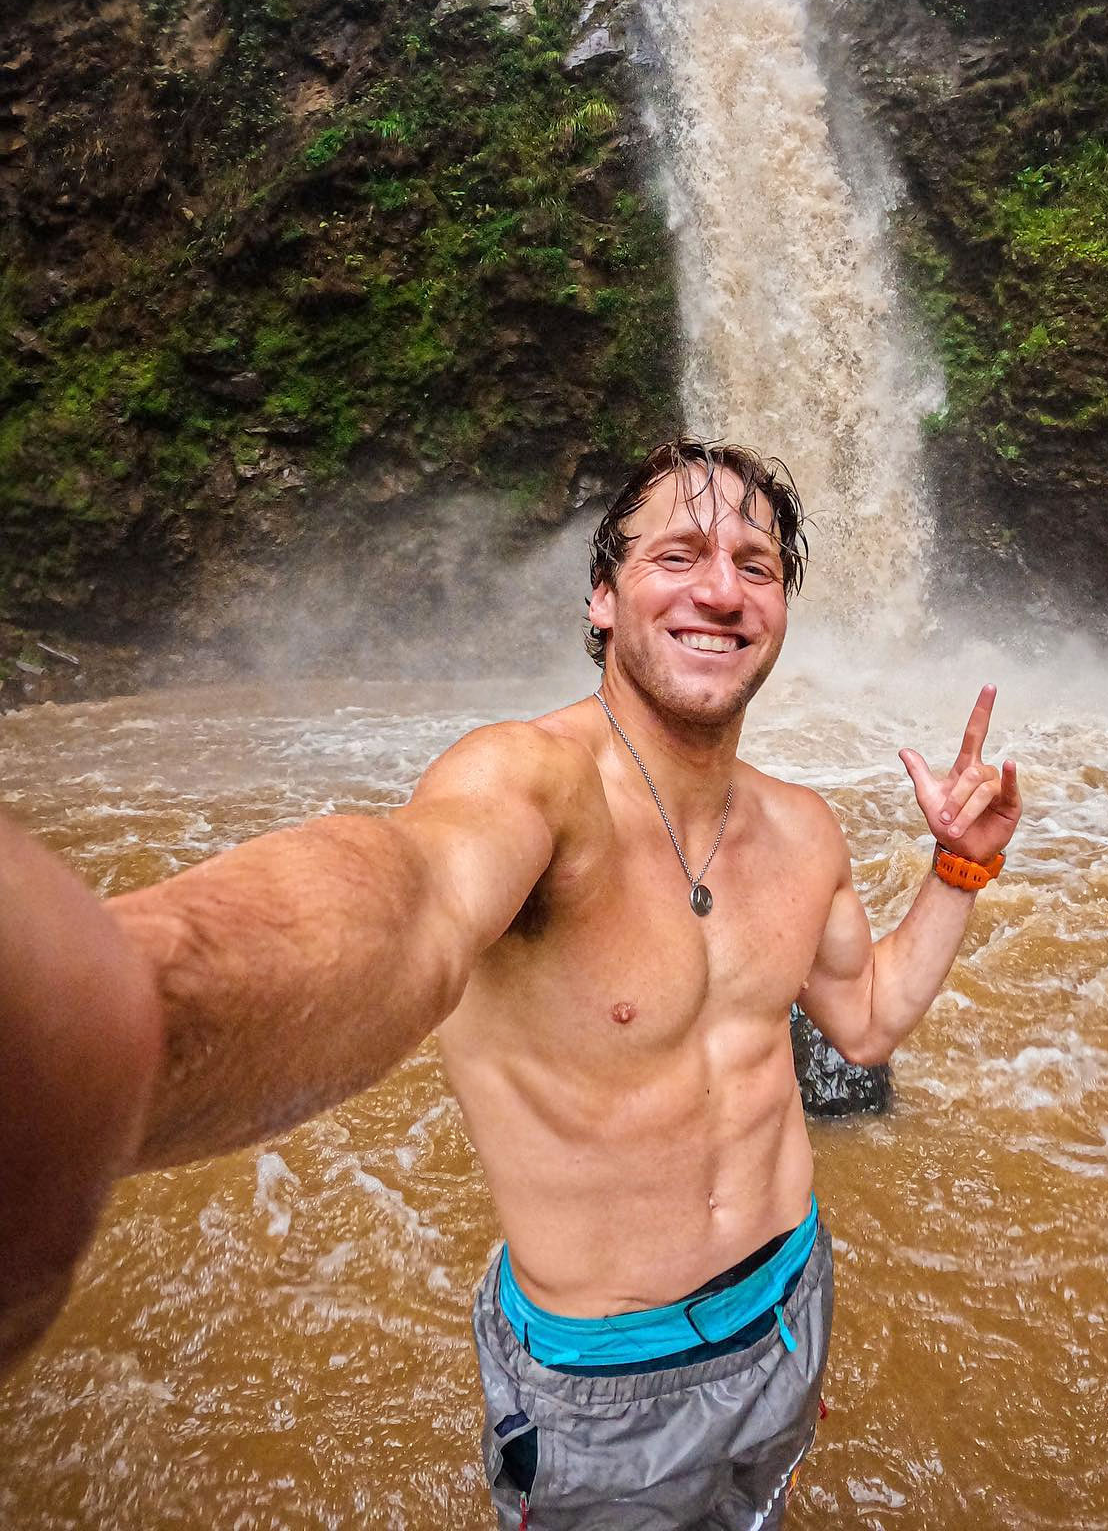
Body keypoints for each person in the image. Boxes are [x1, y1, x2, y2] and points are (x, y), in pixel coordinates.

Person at [0, 439, 1022, 1528]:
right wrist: (119, 1012)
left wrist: (959, 868)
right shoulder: (530, 784)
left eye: (755, 565)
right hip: (604, 1384)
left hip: (791, 1306)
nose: (722, 591)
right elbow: (411, 905)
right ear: (602, 598)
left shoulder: (804, 829)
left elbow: (865, 1023)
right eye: (678, 555)